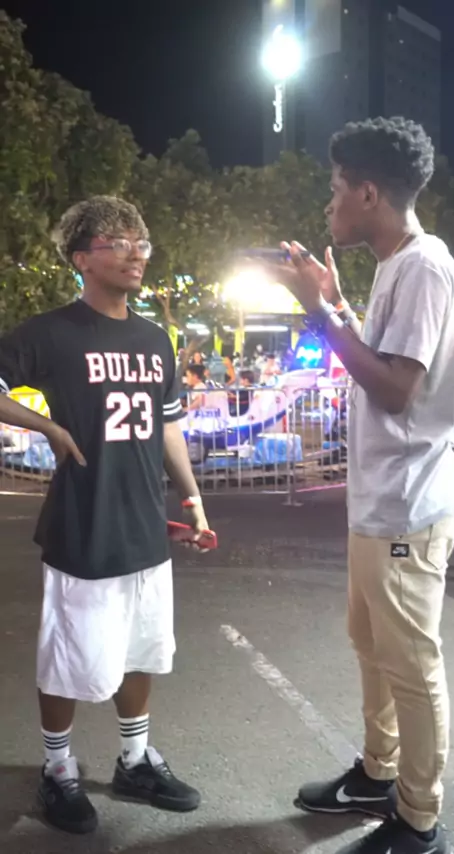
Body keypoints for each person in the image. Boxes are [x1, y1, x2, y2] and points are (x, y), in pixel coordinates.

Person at [260, 118, 454, 854]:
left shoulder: (424, 267)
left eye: (335, 189)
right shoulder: (396, 266)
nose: (329, 204)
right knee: (371, 645)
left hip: (410, 504)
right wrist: (339, 304)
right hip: (382, 501)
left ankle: (418, 817)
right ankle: (379, 774)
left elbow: (395, 389)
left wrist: (317, 311)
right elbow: (381, 357)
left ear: (369, 193)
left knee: (410, 665)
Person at [0, 196, 211, 836]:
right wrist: (47, 427)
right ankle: (58, 768)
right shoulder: (50, 332)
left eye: (140, 242)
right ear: (81, 259)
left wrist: (193, 498)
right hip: (83, 523)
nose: (135, 253)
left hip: (144, 524)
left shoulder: (154, 338)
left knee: (143, 650)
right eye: (119, 243)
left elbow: (168, 426)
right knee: (69, 655)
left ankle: (135, 758)